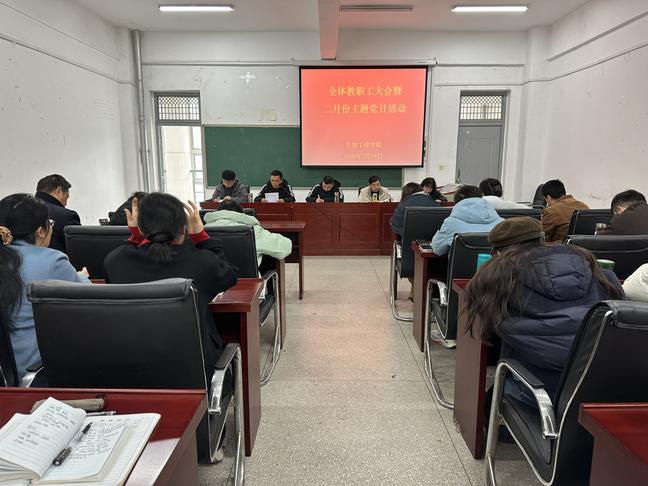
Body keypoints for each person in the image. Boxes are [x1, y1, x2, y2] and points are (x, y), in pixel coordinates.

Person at [464, 217, 624, 406]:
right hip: (603, 388)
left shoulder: (499, 280)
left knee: (492, 397)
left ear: (500, 252)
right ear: (540, 240)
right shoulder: (596, 270)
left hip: (539, 393)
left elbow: (471, 300)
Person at [103, 193, 239, 385]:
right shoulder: (201, 262)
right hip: (194, 375)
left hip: (132, 374)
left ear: (140, 227)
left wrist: (136, 239)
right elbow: (230, 275)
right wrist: (201, 237)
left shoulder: (115, 262)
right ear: (183, 228)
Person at [0, 193, 90, 382]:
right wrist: (82, 277)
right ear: (40, 231)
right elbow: (87, 301)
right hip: (33, 377)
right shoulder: (52, 261)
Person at [204, 200, 292, 266]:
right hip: (247, 283)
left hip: (210, 284)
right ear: (242, 214)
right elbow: (285, 248)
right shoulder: (252, 230)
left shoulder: (202, 232)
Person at [431, 185, 503, 256]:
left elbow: (437, 249)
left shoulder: (450, 224)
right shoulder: (502, 224)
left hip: (462, 264)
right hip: (495, 264)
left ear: (457, 203)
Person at [34, 174, 81, 253]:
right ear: (58, 191)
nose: (65, 204)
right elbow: (80, 250)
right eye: (66, 197)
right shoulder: (66, 216)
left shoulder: (20, 210)